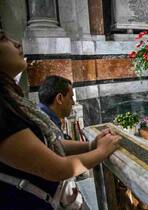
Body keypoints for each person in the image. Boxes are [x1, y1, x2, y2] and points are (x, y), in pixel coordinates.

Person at [0, 29, 121, 209]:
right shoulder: (2, 109)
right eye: (3, 38)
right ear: (59, 98)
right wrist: (102, 152)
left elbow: (46, 144)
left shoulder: (11, 101)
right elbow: (58, 169)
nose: (16, 43)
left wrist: (91, 145)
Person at [38, 75, 75, 139]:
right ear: (59, 98)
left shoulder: (41, 114)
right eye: (71, 97)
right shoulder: (46, 126)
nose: (73, 103)